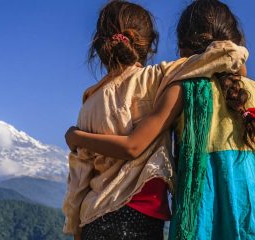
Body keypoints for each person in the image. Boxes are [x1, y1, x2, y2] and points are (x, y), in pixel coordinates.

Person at [64, 1, 254, 240]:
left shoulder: (88, 103)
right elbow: (224, 56)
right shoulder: (157, 79)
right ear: (150, 43)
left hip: (94, 217)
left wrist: (76, 227)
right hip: (141, 217)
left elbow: (79, 178)